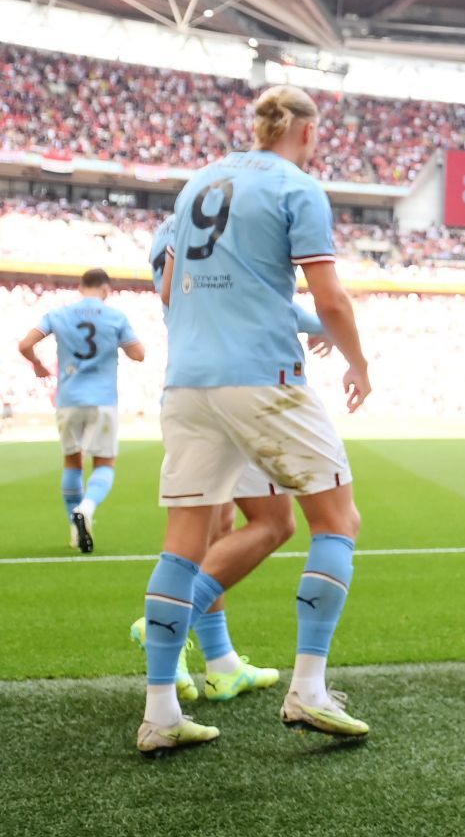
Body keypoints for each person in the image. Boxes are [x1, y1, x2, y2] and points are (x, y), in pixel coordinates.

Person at [134, 85, 375, 757]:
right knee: (338, 520)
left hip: (187, 382)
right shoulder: (298, 187)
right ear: (305, 130)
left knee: (183, 541)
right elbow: (331, 296)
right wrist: (357, 362)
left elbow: (171, 287)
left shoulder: (198, 185)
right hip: (262, 378)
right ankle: (309, 689)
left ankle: (160, 712)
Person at [127, 217, 308, 705]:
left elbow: (174, 297)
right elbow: (250, 302)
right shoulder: (228, 223)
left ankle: (221, 663)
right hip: (239, 380)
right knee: (275, 522)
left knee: (217, 525)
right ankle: (171, 621)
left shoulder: (171, 229)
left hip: (188, 380)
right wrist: (321, 322)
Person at [16, 267, 144, 552]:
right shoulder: (116, 317)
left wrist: (38, 365)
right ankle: (86, 508)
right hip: (102, 400)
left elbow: (25, 344)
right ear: (106, 290)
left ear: (80, 287)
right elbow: (139, 354)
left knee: (72, 462)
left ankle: (75, 529)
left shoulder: (59, 314)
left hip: (68, 398)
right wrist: (114, 344)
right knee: (105, 464)